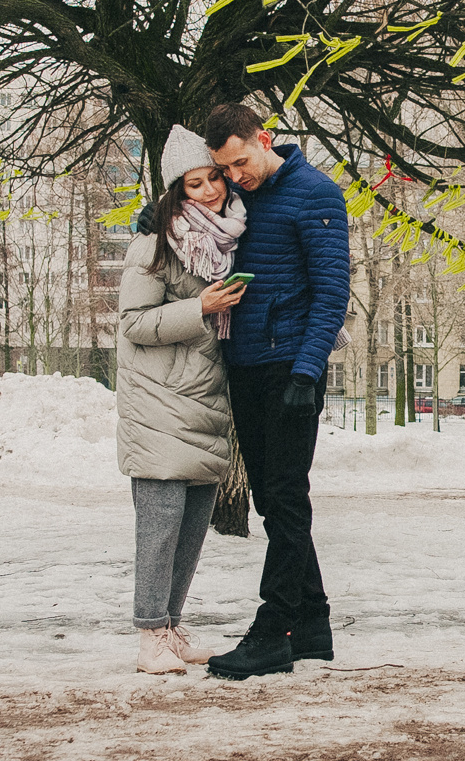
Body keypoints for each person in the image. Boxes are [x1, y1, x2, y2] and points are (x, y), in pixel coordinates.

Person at [195, 100, 352, 679]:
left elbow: (332, 290)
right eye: (225, 168)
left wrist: (307, 374)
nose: (235, 177)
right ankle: (312, 620)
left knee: (285, 498)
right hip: (247, 365)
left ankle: (274, 629)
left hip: (292, 367)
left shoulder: (315, 192)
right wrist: (155, 218)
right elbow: (196, 215)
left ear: (263, 138)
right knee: (270, 498)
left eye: (239, 163)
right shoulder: (239, 198)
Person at [114, 126, 247, 675]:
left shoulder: (231, 235)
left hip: (205, 399)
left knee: (191, 527)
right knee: (161, 522)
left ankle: (170, 627)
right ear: (177, 190)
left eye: (214, 177)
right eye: (195, 184)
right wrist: (201, 307)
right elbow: (133, 324)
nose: (210, 190)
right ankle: (149, 636)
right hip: (160, 402)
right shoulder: (155, 242)